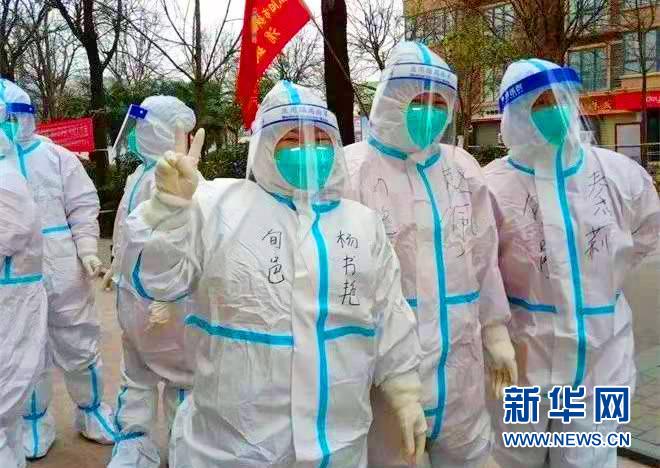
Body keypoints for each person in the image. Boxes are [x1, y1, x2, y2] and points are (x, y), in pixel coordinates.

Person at [121, 81, 427, 467]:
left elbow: (389, 313)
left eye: (320, 139)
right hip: (231, 447)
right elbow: (157, 281)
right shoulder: (218, 207)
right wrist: (169, 211)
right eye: (291, 139)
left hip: (338, 443)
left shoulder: (361, 224)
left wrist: (405, 392)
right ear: (265, 146)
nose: (309, 149)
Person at [344, 41, 516, 468]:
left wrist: (495, 331)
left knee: (470, 453)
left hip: (460, 361)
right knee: (397, 457)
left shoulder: (461, 168)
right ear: (391, 100)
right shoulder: (351, 171)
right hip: (387, 374)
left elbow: (483, 257)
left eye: (440, 103)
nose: (430, 112)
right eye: (419, 101)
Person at [484, 58, 660, 467]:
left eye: (558, 98)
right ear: (515, 113)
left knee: (591, 456)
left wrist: (602, 279)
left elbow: (647, 234)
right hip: (525, 356)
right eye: (540, 103)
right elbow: (480, 269)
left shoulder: (617, 173)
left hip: (603, 354)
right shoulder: (492, 186)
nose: (554, 109)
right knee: (515, 455)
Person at [0, 79, 115, 458]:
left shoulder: (56, 157)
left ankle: (92, 411)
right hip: (13, 273)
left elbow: (82, 206)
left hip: (61, 265)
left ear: (25, 117)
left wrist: (87, 250)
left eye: (9, 119)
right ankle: (32, 421)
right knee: (24, 347)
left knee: (78, 339)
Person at [105, 96, 196, 468]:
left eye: (143, 125)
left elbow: (183, 244)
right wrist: (115, 266)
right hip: (132, 295)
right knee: (136, 370)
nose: (135, 134)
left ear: (159, 129)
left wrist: (168, 294)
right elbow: (127, 231)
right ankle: (134, 441)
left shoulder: (180, 179)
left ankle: (183, 446)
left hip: (164, 301)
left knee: (179, 373)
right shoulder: (139, 175)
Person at [0, 97, 48, 468]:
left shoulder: (7, 177)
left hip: (14, 289)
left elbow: (13, 231)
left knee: (10, 381)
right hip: (13, 288)